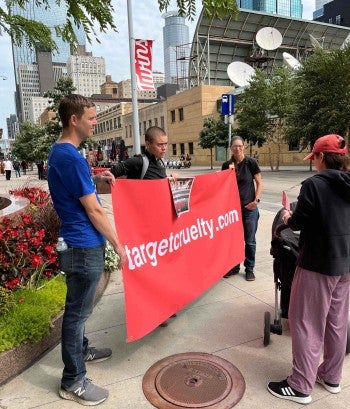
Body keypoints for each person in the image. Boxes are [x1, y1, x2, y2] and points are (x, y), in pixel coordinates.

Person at [48, 94, 126, 406]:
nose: (95, 123)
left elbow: (76, 187)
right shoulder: (69, 156)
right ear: (74, 120)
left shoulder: (67, 154)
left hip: (80, 243)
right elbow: (94, 211)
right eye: (92, 118)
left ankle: (82, 351)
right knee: (77, 313)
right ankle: (73, 380)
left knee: (80, 311)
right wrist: (118, 245)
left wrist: (96, 178)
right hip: (82, 246)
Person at [267, 134, 350, 405]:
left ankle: (300, 385)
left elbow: (299, 222)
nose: (313, 162)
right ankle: (331, 376)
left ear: (322, 157)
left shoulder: (314, 185)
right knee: (336, 322)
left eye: (313, 157)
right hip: (346, 263)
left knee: (306, 322)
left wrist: (289, 216)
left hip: (318, 263)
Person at [110, 125, 177, 327]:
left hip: (160, 227)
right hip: (144, 231)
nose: (164, 148)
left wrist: (169, 180)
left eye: (166, 144)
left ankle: (164, 307)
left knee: (163, 270)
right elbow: (115, 171)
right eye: (160, 144)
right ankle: (155, 312)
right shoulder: (140, 161)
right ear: (148, 144)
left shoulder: (159, 162)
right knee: (150, 272)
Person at [221, 136, 263, 281]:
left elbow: (259, 182)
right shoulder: (227, 165)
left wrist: (256, 201)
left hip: (249, 209)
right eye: (234, 146)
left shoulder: (251, 162)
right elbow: (222, 186)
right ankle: (234, 266)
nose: (237, 148)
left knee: (249, 240)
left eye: (240, 146)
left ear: (243, 146)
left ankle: (249, 269)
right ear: (231, 148)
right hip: (233, 210)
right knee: (235, 240)